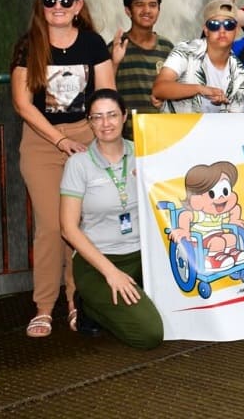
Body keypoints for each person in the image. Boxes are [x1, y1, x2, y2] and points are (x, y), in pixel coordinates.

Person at [10, 0, 115, 337]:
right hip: (42, 143)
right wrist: (58, 141)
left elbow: (106, 93)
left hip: (86, 136)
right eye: (50, 1)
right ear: (41, 6)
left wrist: (103, 137)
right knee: (52, 225)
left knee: (83, 225)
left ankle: (77, 302)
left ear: (78, 6)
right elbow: (23, 104)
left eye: (65, 1)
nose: (58, 7)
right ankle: (43, 306)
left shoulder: (92, 43)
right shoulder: (30, 46)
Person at [59, 89, 163, 349]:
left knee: (187, 312)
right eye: (98, 117)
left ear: (124, 116)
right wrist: (111, 273)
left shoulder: (145, 154)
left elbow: (169, 203)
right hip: (99, 262)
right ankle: (89, 306)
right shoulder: (79, 164)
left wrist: (150, 184)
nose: (106, 124)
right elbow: (68, 229)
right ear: (90, 122)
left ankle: (116, 303)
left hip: (144, 256)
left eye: (112, 115)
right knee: (149, 335)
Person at [152, 0, 244, 113]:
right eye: (214, 25)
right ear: (206, 30)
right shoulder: (185, 50)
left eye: (229, 25)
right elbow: (159, 88)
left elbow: (234, 122)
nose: (222, 31)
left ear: (237, 30)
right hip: (175, 129)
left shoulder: (241, 75)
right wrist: (200, 89)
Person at [109, 0, 175, 138]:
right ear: (128, 10)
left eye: (153, 5)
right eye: (139, 4)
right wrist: (114, 63)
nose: (147, 10)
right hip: (126, 138)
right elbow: (103, 91)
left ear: (159, 10)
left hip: (162, 135)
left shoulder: (167, 48)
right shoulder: (116, 48)